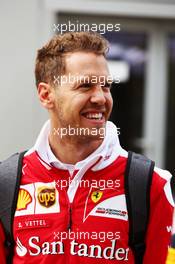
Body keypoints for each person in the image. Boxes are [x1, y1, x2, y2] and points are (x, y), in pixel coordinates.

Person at [0, 31, 174, 263]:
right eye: (85, 86)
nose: (101, 98)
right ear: (46, 95)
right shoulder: (7, 182)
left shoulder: (151, 184)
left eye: (105, 86)